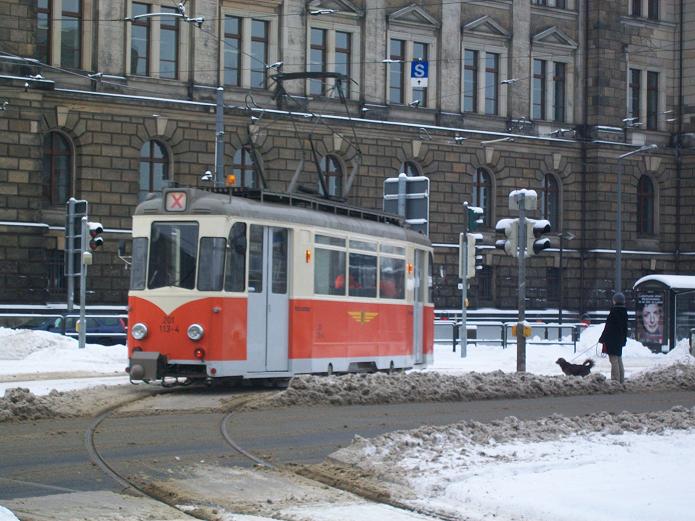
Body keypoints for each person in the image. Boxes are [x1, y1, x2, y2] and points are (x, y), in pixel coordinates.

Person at [599, 292, 629, 383]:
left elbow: (608, 328)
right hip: (620, 340)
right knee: (619, 359)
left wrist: (602, 338)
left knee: (613, 360)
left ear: (615, 301)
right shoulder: (624, 312)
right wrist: (623, 340)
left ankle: (615, 380)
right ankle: (621, 379)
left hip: (612, 340)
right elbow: (625, 329)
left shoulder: (613, 313)